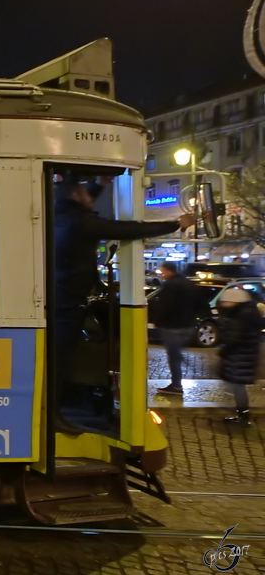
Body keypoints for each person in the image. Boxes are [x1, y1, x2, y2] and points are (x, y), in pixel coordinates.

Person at [53, 174, 195, 423]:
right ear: (76, 196)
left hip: (60, 297)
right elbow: (129, 229)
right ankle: (54, 415)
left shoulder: (60, 214)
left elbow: (81, 203)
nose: (90, 197)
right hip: (69, 302)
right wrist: (176, 224)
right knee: (60, 360)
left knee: (61, 357)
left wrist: (99, 184)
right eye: (85, 192)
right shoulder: (83, 222)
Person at [149, 261, 210, 394]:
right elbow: (201, 303)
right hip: (188, 325)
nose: (162, 274)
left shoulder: (170, 285)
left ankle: (176, 385)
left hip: (172, 326)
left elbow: (165, 306)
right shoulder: (188, 284)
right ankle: (181, 368)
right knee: (176, 353)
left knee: (173, 357)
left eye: (162, 271)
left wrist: (155, 320)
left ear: (167, 270)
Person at [216, 286, 264, 425]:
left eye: (226, 302)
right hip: (245, 355)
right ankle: (241, 413)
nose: (223, 304)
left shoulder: (238, 316)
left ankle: (243, 416)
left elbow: (232, 338)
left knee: (238, 386)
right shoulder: (250, 312)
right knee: (237, 385)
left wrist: (223, 350)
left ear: (234, 301)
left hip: (239, 357)